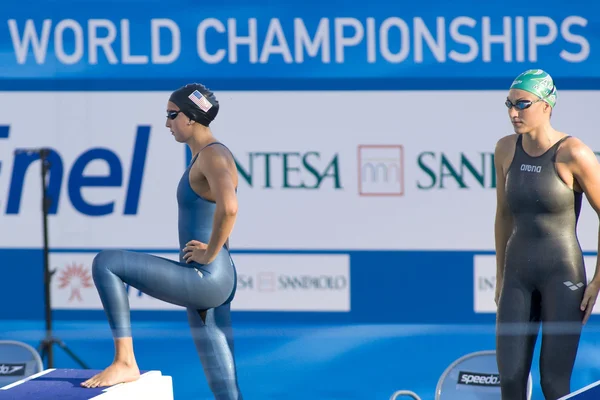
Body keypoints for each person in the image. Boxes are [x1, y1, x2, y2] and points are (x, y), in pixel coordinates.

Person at [80, 83, 244, 399]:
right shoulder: (207, 155)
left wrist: (210, 254)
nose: (167, 123)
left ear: (192, 117)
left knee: (107, 263)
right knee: (224, 384)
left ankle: (125, 361)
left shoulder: (213, 154)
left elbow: (231, 207)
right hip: (214, 275)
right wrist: (216, 255)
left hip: (208, 276)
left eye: (172, 115)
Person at [493, 69, 600, 399]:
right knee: (510, 380)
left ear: (546, 105)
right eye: (509, 104)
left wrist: (597, 280)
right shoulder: (506, 149)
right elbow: (503, 215)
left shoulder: (574, 153)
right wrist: (500, 276)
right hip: (517, 274)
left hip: (562, 275)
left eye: (522, 104)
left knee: (553, 383)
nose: (513, 113)